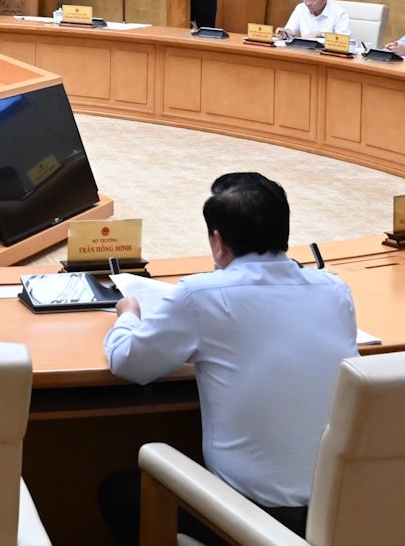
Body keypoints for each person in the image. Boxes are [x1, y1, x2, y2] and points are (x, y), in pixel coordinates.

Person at [99, 173, 356, 546]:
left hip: (254, 522)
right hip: (337, 515)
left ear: (218, 242)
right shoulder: (335, 290)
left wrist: (128, 314)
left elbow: (128, 362)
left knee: (120, 493)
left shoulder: (200, 295)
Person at [279, 0, 348, 40]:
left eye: (312, 0)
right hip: (304, 48)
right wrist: (285, 33)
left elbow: (344, 40)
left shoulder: (339, 13)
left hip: (326, 50)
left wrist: (321, 35)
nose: (307, 3)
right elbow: (291, 30)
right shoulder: (301, 8)